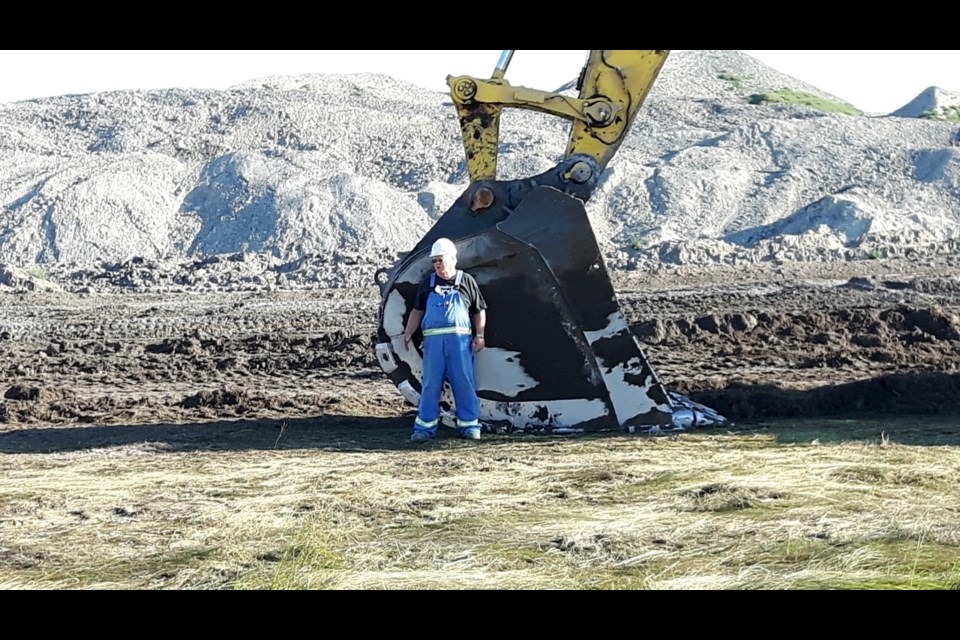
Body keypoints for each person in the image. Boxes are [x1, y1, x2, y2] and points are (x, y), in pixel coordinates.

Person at [402, 237, 487, 442]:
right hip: (433, 345)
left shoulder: (466, 281)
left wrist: (480, 335)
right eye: (435, 261)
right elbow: (417, 310)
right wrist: (408, 333)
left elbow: (479, 310)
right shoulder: (428, 283)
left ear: (452, 259)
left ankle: (469, 425)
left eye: (441, 260)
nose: (438, 264)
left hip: (459, 343)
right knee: (431, 384)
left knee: (463, 382)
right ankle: (424, 428)